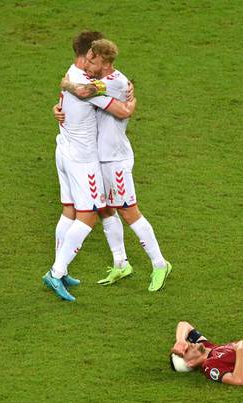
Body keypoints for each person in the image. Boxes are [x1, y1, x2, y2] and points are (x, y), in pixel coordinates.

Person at [55, 39, 172, 292]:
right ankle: (121, 263)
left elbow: (83, 91)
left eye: (92, 60)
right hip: (99, 157)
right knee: (105, 210)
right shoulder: (108, 81)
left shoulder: (109, 83)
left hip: (114, 159)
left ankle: (160, 264)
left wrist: (66, 84)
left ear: (103, 62)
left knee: (129, 211)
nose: (88, 64)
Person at [43, 32, 137, 302]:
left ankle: (62, 267)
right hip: (83, 159)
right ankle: (56, 271)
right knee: (89, 216)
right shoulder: (87, 84)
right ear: (89, 56)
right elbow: (121, 111)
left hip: (63, 149)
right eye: (100, 60)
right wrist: (131, 99)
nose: (105, 68)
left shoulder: (71, 71)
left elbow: (74, 92)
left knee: (69, 211)